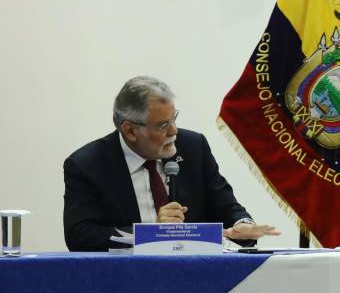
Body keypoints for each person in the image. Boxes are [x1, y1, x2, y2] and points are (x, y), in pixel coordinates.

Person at [64, 76, 280, 251]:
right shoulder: (87, 165)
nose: (174, 131)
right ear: (130, 130)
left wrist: (242, 224)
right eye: (163, 125)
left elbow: (226, 206)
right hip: (126, 280)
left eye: (174, 119)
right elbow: (80, 235)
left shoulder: (193, 147)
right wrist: (152, 233)